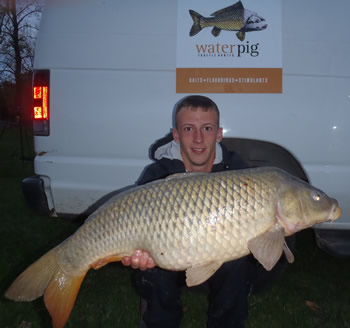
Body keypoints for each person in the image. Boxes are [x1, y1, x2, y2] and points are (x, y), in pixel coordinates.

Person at [121, 95, 285, 327]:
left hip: (219, 266)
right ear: (176, 135)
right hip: (169, 262)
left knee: (238, 259)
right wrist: (139, 256)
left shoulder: (238, 172)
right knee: (152, 273)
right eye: (189, 129)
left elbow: (266, 257)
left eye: (207, 128)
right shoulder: (158, 175)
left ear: (219, 134)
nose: (198, 139)